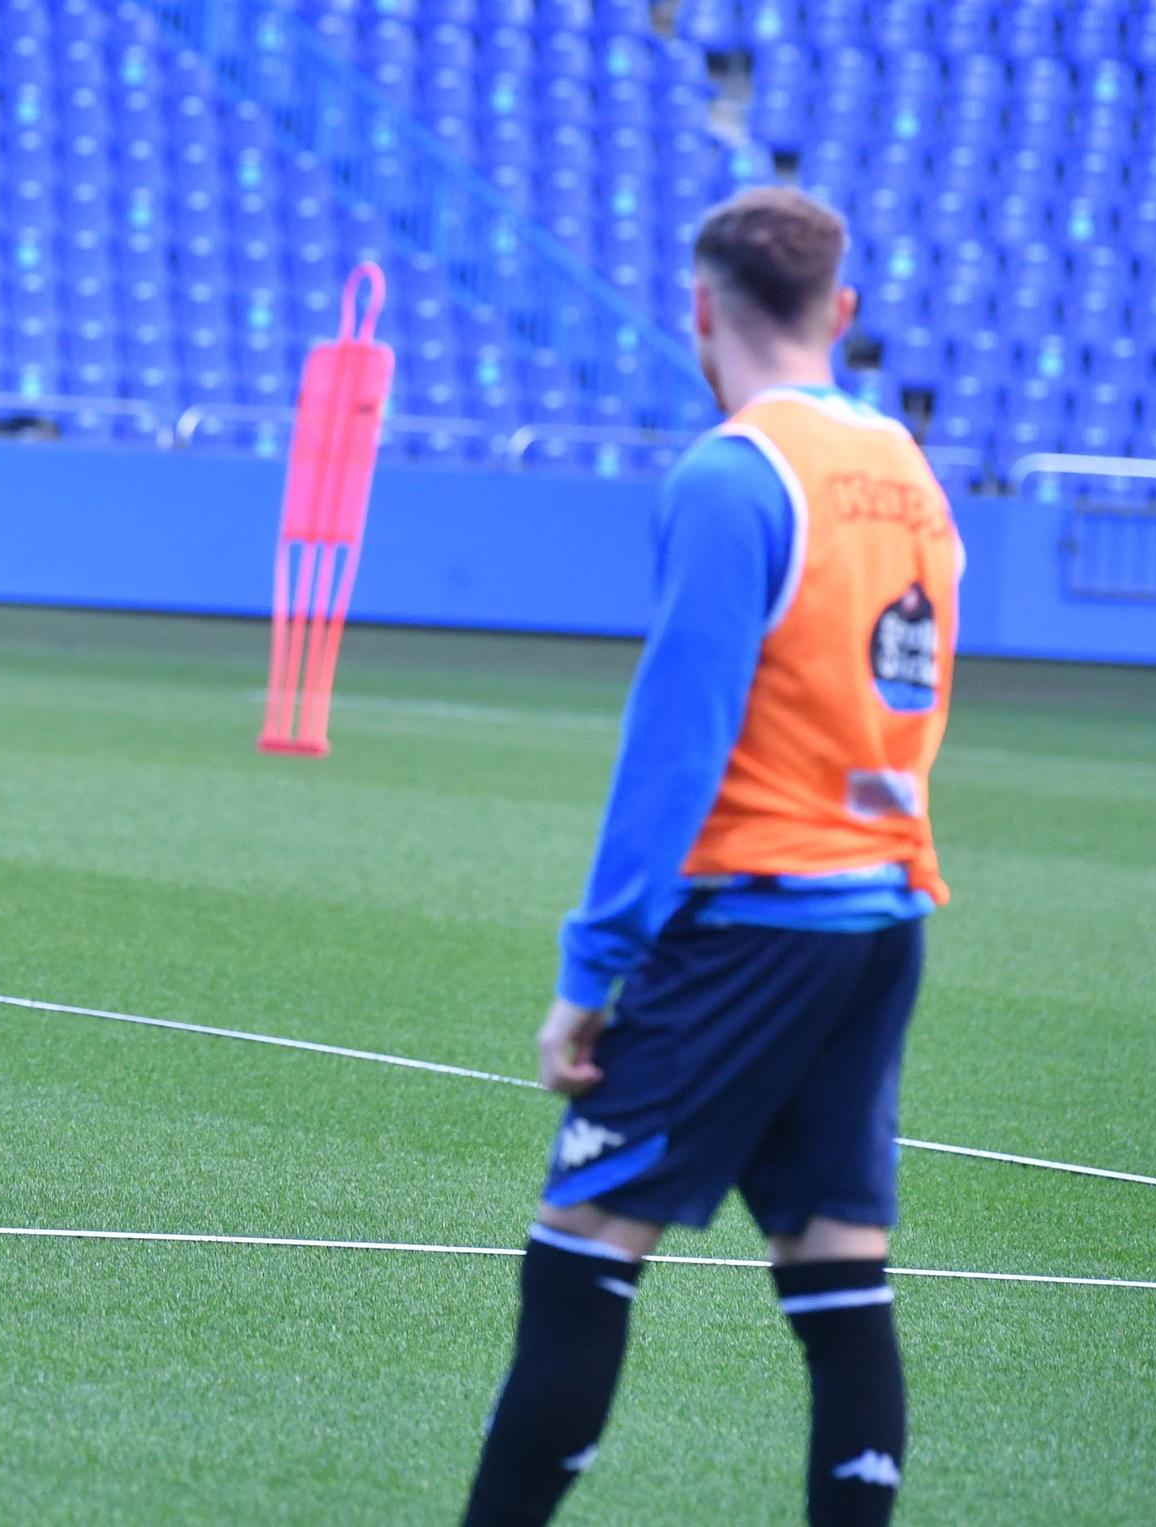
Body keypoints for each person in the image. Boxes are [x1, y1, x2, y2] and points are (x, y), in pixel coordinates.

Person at [462, 186, 961, 1526]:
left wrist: (591, 972)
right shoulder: (906, 469)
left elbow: (673, 752)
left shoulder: (735, 475)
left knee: (579, 1256)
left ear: (698, 310)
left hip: (754, 922)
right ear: (839, 311)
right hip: (881, 913)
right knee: (837, 1279)